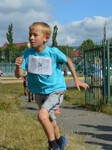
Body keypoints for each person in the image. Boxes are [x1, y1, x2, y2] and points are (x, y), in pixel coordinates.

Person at [15, 22, 89, 150]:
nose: (31, 38)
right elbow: (19, 74)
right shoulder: (27, 53)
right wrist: (17, 67)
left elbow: (69, 60)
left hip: (56, 89)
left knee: (42, 115)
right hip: (39, 92)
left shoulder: (53, 52)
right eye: (30, 35)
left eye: (35, 35)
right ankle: (60, 141)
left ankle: (53, 146)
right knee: (50, 121)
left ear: (46, 38)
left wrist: (76, 79)